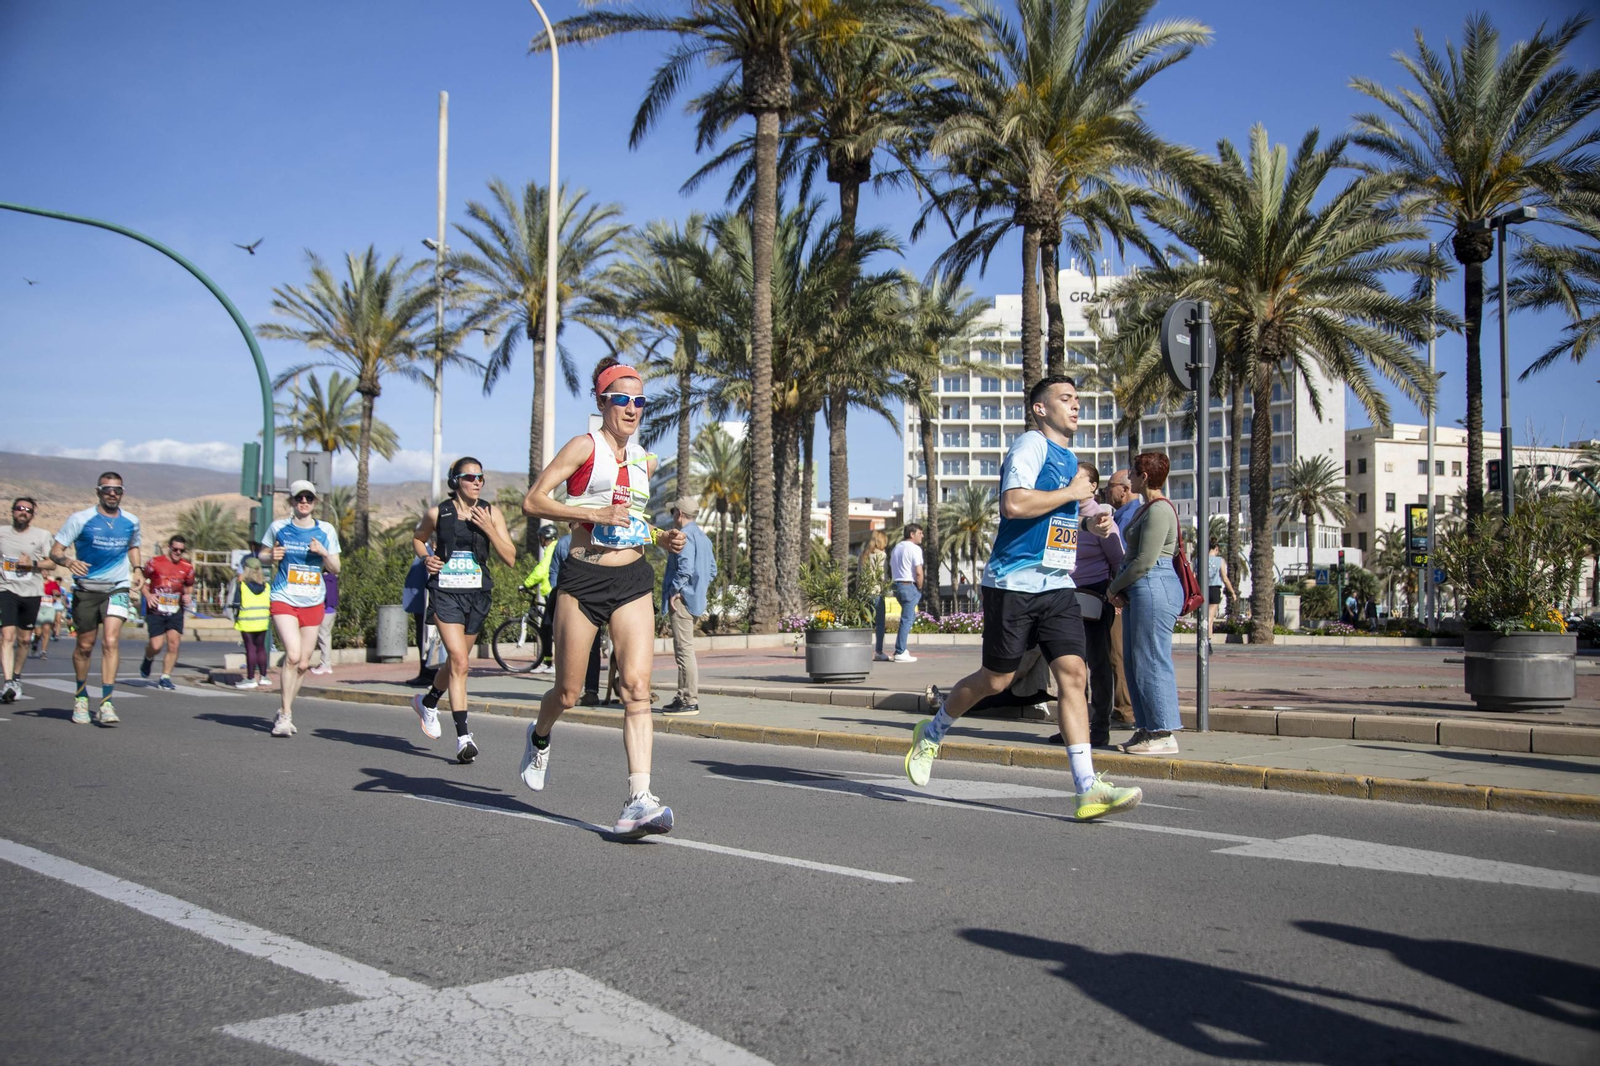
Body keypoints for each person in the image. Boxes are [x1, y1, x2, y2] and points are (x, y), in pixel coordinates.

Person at [903, 376, 1142, 821]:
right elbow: (1013, 505)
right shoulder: (1030, 447)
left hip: (1056, 585)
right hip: (1013, 584)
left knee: (1073, 674)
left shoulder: (1069, 457)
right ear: (1039, 408)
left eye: (1077, 400)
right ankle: (932, 732)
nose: (1075, 406)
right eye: (1066, 399)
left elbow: (1060, 518)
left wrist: (1092, 526)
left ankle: (1086, 788)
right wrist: (1072, 493)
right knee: (997, 680)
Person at [518, 357, 688, 837]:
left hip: (632, 578)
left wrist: (661, 539)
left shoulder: (642, 459)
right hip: (584, 579)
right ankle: (539, 735)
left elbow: (630, 522)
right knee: (569, 693)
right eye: (623, 399)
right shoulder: (583, 447)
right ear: (602, 402)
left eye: (640, 401)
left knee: (636, 688)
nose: (633, 409)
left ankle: (640, 798)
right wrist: (590, 513)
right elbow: (533, 501)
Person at [411, 456, 517, 764]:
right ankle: (463, 737)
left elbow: (510, 557)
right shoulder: (438, 513)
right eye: (470, 477)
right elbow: (419, 539)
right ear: (455, 481)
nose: (477, 482)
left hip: (477, 595)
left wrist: (490, 529)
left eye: (481, 477)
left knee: (459, 663)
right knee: (458, 660)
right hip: (445, 593)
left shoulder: (490, 512)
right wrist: (426, 557)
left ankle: (429, 701)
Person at [1106, 452, 1184, 757]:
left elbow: (1145, 561)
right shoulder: (1146, 509)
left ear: (1145, 477)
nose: (1130, 478)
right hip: (1141, 588)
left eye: (1134, 473)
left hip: (1154, 585)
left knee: (1151, 658)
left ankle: (1163, 731)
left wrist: (1114, 586)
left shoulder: (1159, 510)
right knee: (1135, 660)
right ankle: (1146, 727)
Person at [51, 473, 142, 725]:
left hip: (118, 587)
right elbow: (56, 551)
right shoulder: (80, 519)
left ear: (122, 492)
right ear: (98, 491)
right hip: (87, 588)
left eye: (117, 490)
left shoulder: (131, 521)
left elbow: (133, 545)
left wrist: (137, 569)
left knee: (111, 641)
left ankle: (107, 703)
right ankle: (81, 696)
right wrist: (69, 561)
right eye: (107, 489)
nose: (112, 494)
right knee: (85, 646)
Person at [265, 479, 341, 737]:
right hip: (284, 597)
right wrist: (269, 556)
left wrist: (323, 553)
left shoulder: (326, 530)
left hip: (313, 601)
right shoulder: (279, 527)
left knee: (304, 663)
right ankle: (285, 716)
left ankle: (285, 708)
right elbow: (263, 554)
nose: (304, 502)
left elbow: (336, 568)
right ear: (292, 502)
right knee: (293, 655)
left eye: (309, 498)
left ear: (315, 502)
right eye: (299, 498)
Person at [1069, 463, 1126, 747]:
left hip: (1094, 597)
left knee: (1098, 662)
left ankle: (1100, 727)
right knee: (1069, 664)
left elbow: (1118, 560)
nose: (1073, 484)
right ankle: (1074, 727)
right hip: (1064, 596)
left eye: (1079, 480)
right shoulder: (1063, 516)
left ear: (1093, 486)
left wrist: (1114, 594)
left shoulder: (1102, 518)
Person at [661, 496, 717, 717]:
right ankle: (683, 696)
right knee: (685, 650)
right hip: (694, 600)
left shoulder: (684, 537)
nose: (672, 515)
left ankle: (689, 700)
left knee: (684, 651)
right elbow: (711, 570)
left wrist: (676, 591)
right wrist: (698, 588)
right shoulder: (704, 538)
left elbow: (684, 569)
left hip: (682, 601)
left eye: (673, 511)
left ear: (680, 514)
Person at [1, 495, 57, 704]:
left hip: (32, 592)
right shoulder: (2, 533)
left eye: (28, 510)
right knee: (6, 636)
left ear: (32, 515)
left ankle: (16, 677)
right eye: (19, 508)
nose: (23, 512)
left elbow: (52, 564)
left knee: (24, 639)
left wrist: (32, 563)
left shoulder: (42, 535)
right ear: (12, 511)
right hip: (6, 589)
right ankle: (7, 681)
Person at [1103, 469, 1138, 727]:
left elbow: (1123, 559)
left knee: (1118, 655)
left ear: (1124, 489)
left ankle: (1125, 710)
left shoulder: (1129, 517)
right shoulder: (1121, 515)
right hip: (1115, 595)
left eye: (1110, 486)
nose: (1106, 491)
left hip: (1119, 598)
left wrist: (1117, 592)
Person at [139, 535, 196, 691]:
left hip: (175, 609)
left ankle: (165, 677)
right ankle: (148, 656)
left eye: (181, 550)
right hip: (156, 609)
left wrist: (187, 594)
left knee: (174, 643)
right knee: (156, 645)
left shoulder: (187, 567)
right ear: (169, 547)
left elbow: (189, 586)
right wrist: (148, 595)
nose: (178, 552)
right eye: (175, 549)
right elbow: (139, 580)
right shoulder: (154, 562)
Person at [883, 524, 926, 663]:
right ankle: (900, 651)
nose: (922, 536)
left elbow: (891, 566)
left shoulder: (897, 547)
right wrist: (919, 587)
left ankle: (901, 649)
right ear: (912, 534)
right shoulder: (915, 549)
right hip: (909, 585)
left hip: (897, 585)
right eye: (920, 533)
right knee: (907, 619)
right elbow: (919, 571)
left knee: (909, 616)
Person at [522, 524, 559, 673]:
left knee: (547, 628)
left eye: (541, 538)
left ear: (545, 538)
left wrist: (526, 584)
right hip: (552, 592)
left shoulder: (551, 550)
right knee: (549, 628)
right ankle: (548, 662)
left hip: (552, 592)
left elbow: (542, 570)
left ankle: (549, 664)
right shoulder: (556, 547)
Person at [231, 556, 272, 688]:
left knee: (250, 649)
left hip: (247, 622)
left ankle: (250, 678)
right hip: (262, 622)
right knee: (261, 648)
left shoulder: (242, 586)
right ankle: (264, 677)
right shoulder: (267, 586)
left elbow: (236, 604)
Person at [859, 530, 891, 661]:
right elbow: (883, 576)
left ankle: (863, 650)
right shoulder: (882, 556)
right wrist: (887, 589)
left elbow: (858, 575)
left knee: (866, 622)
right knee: (880, 623)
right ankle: (878, 651)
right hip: (877, 592)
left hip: (864, 592)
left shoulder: (863, 555)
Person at [402, 555, 432, 686]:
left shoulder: (430, 553)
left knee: (427, 640)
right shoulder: (423, 552)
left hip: (426, 604)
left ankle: (429, 674)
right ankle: (425, 673)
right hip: (420, 604)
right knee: (422, 640)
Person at [1204, 542, 1237, 646]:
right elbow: (1225, 578)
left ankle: (1202, 640)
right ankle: (1207, 642)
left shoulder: (1199, 559)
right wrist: (1232, 592)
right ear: (1216, 549)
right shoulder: (1219, 561)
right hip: (1214, 589)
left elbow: (1194, 576)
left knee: (1203, 616)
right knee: (1210, 618)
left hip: (1201, 589)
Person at [311, 571, 339, 675]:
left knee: (323, 638)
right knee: (326, 636)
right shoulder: (333, 578)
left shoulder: (323, 579)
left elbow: (323, 595)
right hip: (332, 610)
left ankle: (325, 664)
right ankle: (326, 663)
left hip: (325, 610)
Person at [33, 579, 63, 661]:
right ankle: (35, 642)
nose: (45, 572)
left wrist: (56, 593)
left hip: (49, 608)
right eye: (43, 570)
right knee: (38, 633)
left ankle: (43, 651)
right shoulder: (36, 581)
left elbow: (58, 593)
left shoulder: (53, 583)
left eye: (46, 570)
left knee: (46, 630)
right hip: (38, 608)